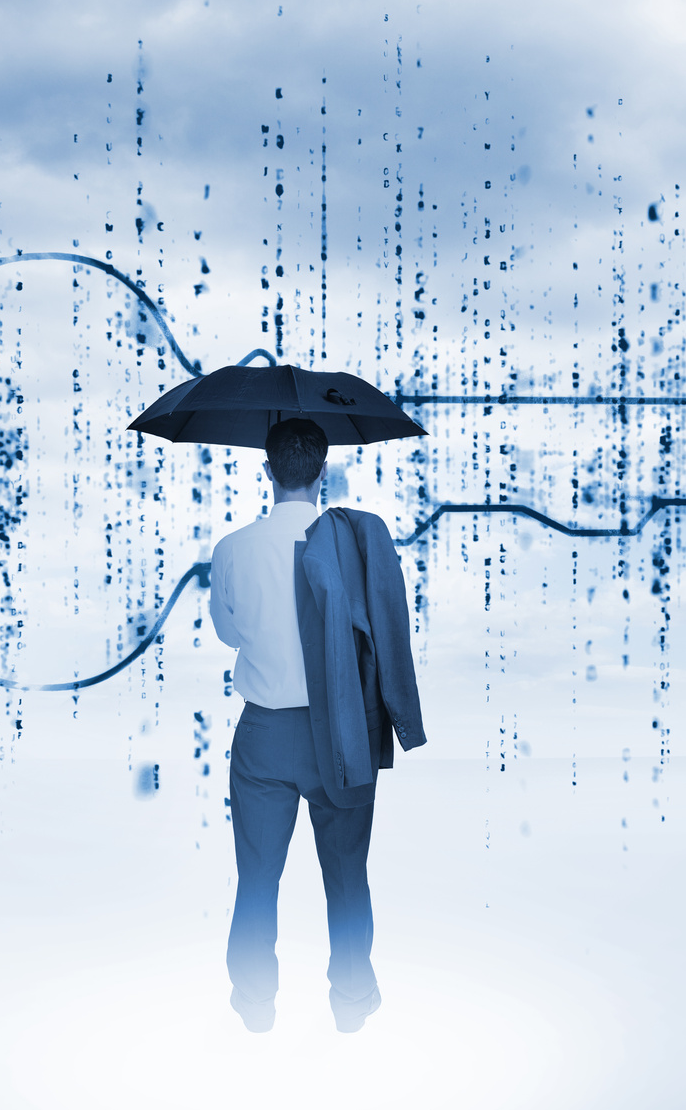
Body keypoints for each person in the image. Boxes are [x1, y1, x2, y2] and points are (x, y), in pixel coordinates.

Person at [208, 417, 425, 1033]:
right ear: (322, 472)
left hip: (264, 738)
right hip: (344, 733)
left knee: (256, 878)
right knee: (348, 873)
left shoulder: (232, 549)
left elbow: (229, 635)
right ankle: (352, 1004)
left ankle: (254, 1006)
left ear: (267, 471)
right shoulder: (354, 546)